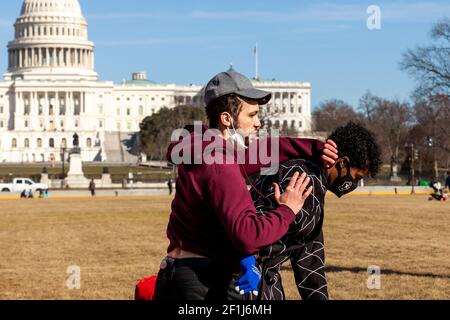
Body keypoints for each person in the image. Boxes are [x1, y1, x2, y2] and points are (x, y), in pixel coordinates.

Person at [153, 70, 338, 300]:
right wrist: (287, 210)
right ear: (227, 119)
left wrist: (314, 147)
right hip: (203, 282)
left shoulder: (202, 149)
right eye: (252, 115)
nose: (258, 123)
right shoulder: (220, 162)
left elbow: (266, 151)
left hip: (174, 274)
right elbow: (248, 235)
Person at [233, 122, 382, 300]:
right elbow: (248, 229)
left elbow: (309, 254)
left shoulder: (314, 180)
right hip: (243, 277)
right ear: (343, 163)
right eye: (356, 177)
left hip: (262, 277)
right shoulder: (303, 179)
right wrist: (248, 263)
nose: (353, 185)